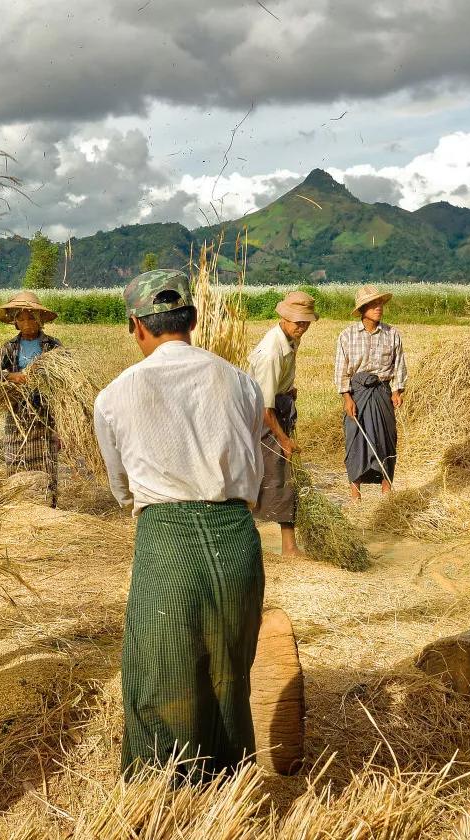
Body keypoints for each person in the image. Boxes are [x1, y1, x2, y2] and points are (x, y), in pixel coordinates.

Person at [93, 268, 267, 782]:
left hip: (168, 537)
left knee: (160, 675)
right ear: (192, 319)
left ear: (136, 327)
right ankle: (228, 792)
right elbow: (252, 468)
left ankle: (164, 799)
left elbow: (121, 485)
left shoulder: (116, 394)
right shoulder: (242, 382)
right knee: (228, 675)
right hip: (238, 539)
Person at [248, 290, 317, 558]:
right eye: (299, 321)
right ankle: (287, 547)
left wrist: (288, 390)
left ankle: (285, 543)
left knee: (278, 475)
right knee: (278, 476)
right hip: (265, 418)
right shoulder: (271, 352)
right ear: (285, 318)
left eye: (306, 321)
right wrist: (284, 440)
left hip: (277, 409)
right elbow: (265, 408)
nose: (303, 326)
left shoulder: (290, 339)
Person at [0, 291, 64, 501]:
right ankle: (17, 504)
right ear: (15, 322)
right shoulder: (9, 347)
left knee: (46, 460)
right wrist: (11, 376)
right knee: (16, 459)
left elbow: (65, 379)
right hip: (17, 413)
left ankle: (47, 504)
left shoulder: (53, 346)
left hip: (45, 415)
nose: (27, 322)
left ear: (40, 320)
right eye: (21, 318)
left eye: (31, 317)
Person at [334, 284, 406, 500]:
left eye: (380, 304)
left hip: (382, 392)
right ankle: (355, 494)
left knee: (386, 439)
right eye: (373, 305)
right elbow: (341, 370)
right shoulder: (347, 336)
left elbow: (399, 365)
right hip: (357, 393)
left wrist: (397, 391)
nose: (379, 308)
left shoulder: (392, 334)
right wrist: (347, 397)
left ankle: (386, 491)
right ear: (363, 309)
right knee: (356, 439)